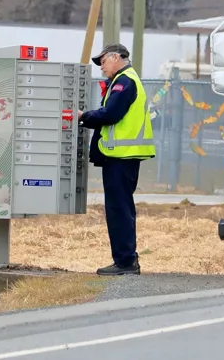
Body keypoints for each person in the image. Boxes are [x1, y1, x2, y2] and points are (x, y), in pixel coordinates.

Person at [77, 43, 156, 276]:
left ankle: (125, 262)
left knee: (118, 209)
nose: (101, 68)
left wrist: (84, 116)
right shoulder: (125, 80)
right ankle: (125, 259)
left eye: (103, 62)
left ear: (115, 57)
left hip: (121, 156)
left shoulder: (124, 81)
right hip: (122, 156)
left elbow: (111, 114)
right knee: (121, 208)